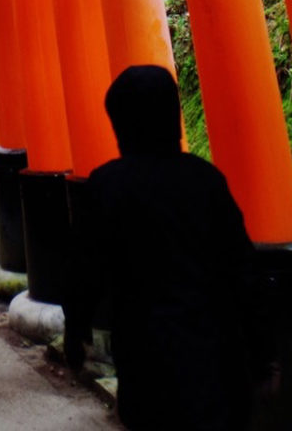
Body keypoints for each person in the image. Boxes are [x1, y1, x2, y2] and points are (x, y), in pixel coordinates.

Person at [63, 64, 272, 431]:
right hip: (216, 357)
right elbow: (244, 271)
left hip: (146, 359)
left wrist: (75, 332)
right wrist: (263, 355)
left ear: (120, 126)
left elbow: (84, 271)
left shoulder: (106, 187)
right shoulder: (205, 180)